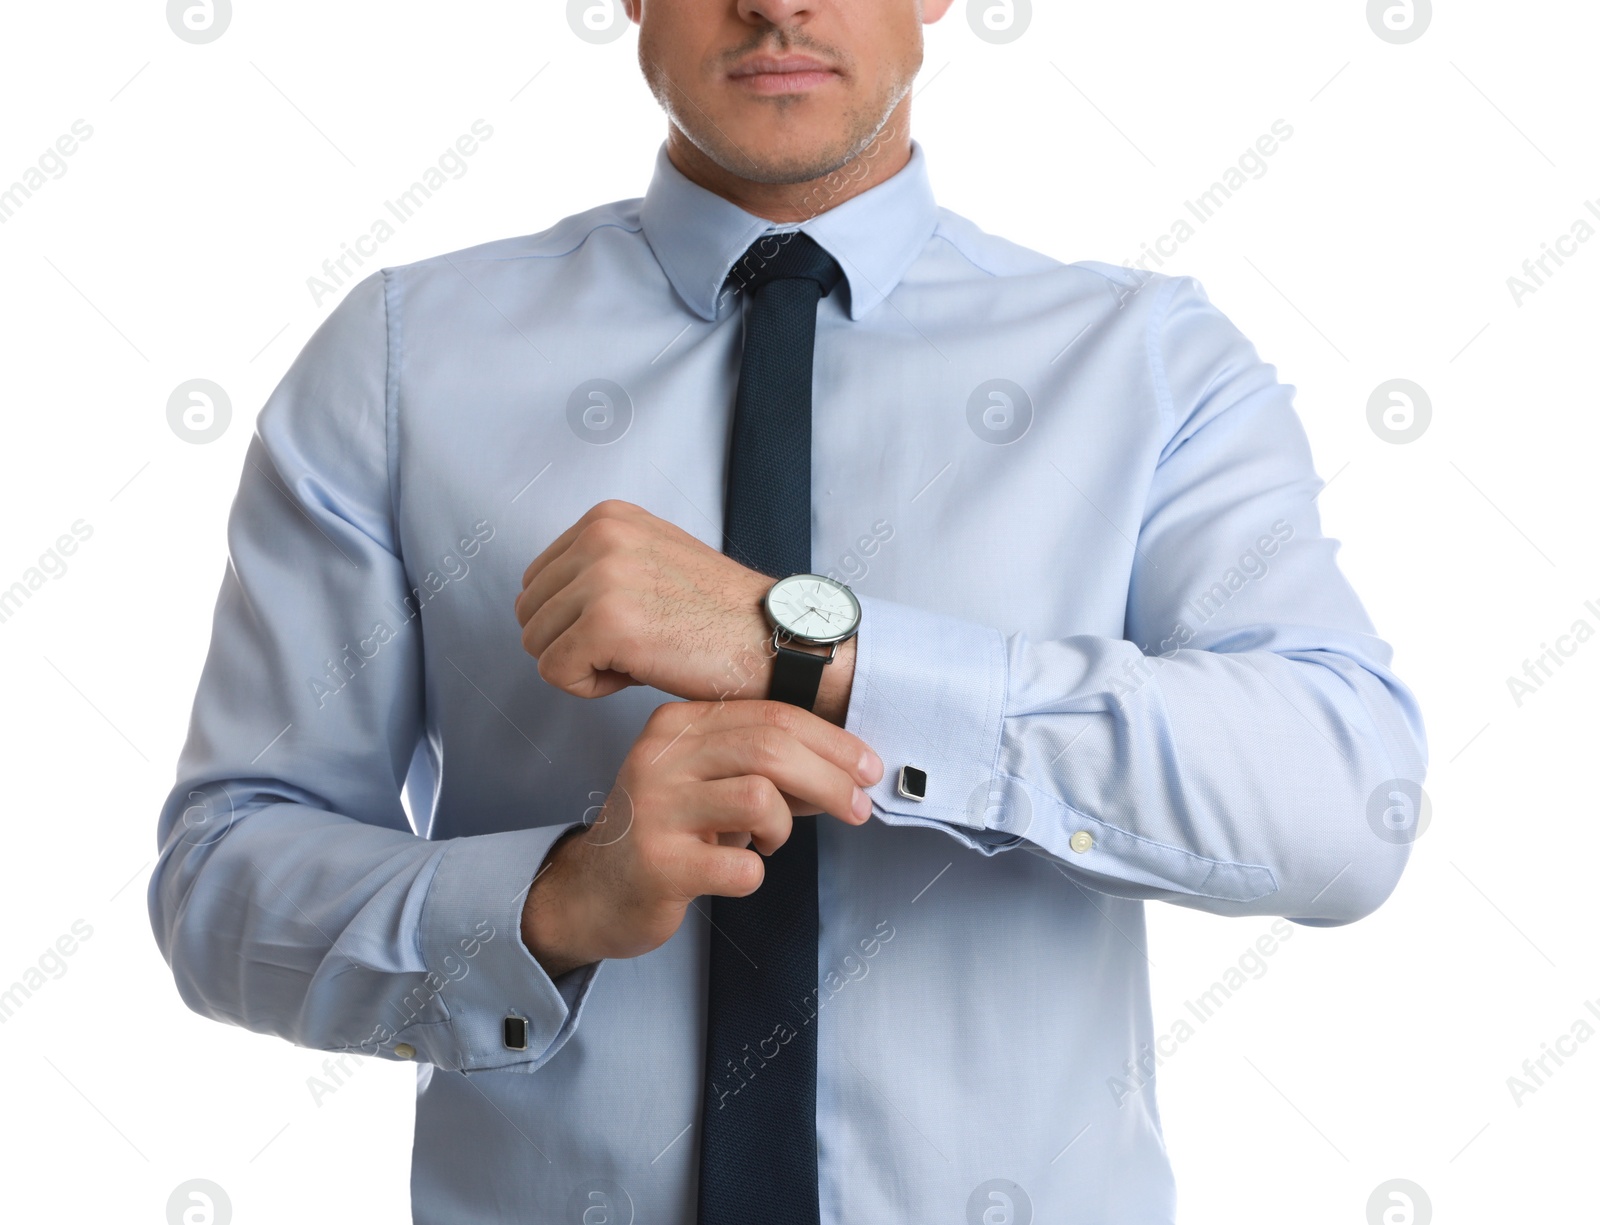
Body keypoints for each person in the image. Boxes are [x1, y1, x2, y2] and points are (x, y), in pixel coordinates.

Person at [149, 1, 1428, 1221]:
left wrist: (806, 650)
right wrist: (552, 900)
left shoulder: (1148, 365)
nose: (777, 10)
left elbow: (1342, 798)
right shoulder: (399, 364)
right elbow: (223, 878)